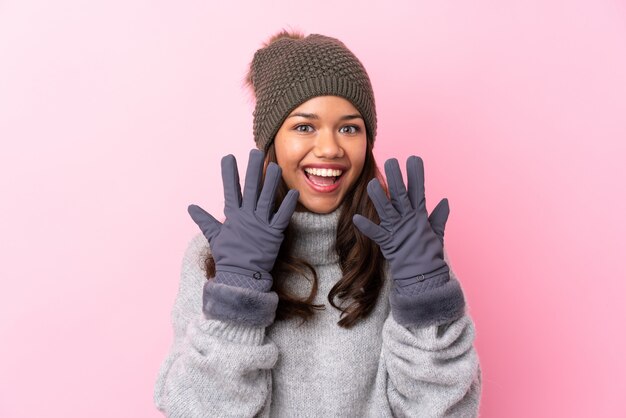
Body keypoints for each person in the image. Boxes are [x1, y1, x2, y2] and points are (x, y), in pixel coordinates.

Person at [154, 30, 482, 417]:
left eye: (349, 127)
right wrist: (235, 297)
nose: (330, 148)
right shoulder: (215, 258)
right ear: (272, 141)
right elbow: (191, 410)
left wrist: (426, 302)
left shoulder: (408, 251)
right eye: (304, 126)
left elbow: (449, 412)